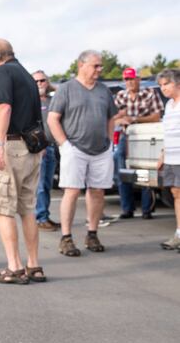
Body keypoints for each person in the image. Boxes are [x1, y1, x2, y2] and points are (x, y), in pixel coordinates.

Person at [0, 39, 45, 284]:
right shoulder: (28, 76)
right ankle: (33, 265)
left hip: (11, 146)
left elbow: (4, 108)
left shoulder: (3, 72)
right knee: (27, 209)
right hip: (30, 149)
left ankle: (14, 267)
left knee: (3, 208)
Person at [48, 50, 118, 257]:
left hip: (101, 150)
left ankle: (92, 233)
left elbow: (111, 118)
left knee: (97, 191)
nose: (100, 70)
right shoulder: (66, 89)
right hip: (75, 148)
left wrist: (109, 141)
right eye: (96, 65)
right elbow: (53, 118)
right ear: (81, 65)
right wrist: (64, 144)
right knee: (72, 191)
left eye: (100, 66)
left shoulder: (104, 91)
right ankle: (66, 238)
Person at [113, 67, 164, 219]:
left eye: (131, 79)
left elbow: (156, 116)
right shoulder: (121, 96)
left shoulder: (149, 93)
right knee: (122, 169)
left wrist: (135, 119)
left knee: (144, 172)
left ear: (138, 79)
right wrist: (121, 119)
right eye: (126, 79)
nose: (129, 82)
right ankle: (127, 208)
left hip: (145, 138)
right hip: (126, 137)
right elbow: (113, 117)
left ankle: (146, 209)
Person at [33, 70, 60, 231]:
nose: (40, 84)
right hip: (39, 149)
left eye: (42, 81)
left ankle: (45, 215)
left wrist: (51, 86)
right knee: (41, 184)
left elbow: (64, 92)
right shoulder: (31, 101)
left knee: (49, 184)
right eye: (36, 81)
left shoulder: (53, 100)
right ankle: (41, 217)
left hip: (52, 147)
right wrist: (38, 145)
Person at [157, 69, 180, 251]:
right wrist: (163, 155)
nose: (163, 88)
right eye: (161, 85)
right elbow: (168, 133)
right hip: (172, 157)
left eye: (166, 84)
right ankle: (179, 234)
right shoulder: (169, 105)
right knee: (176, 194)